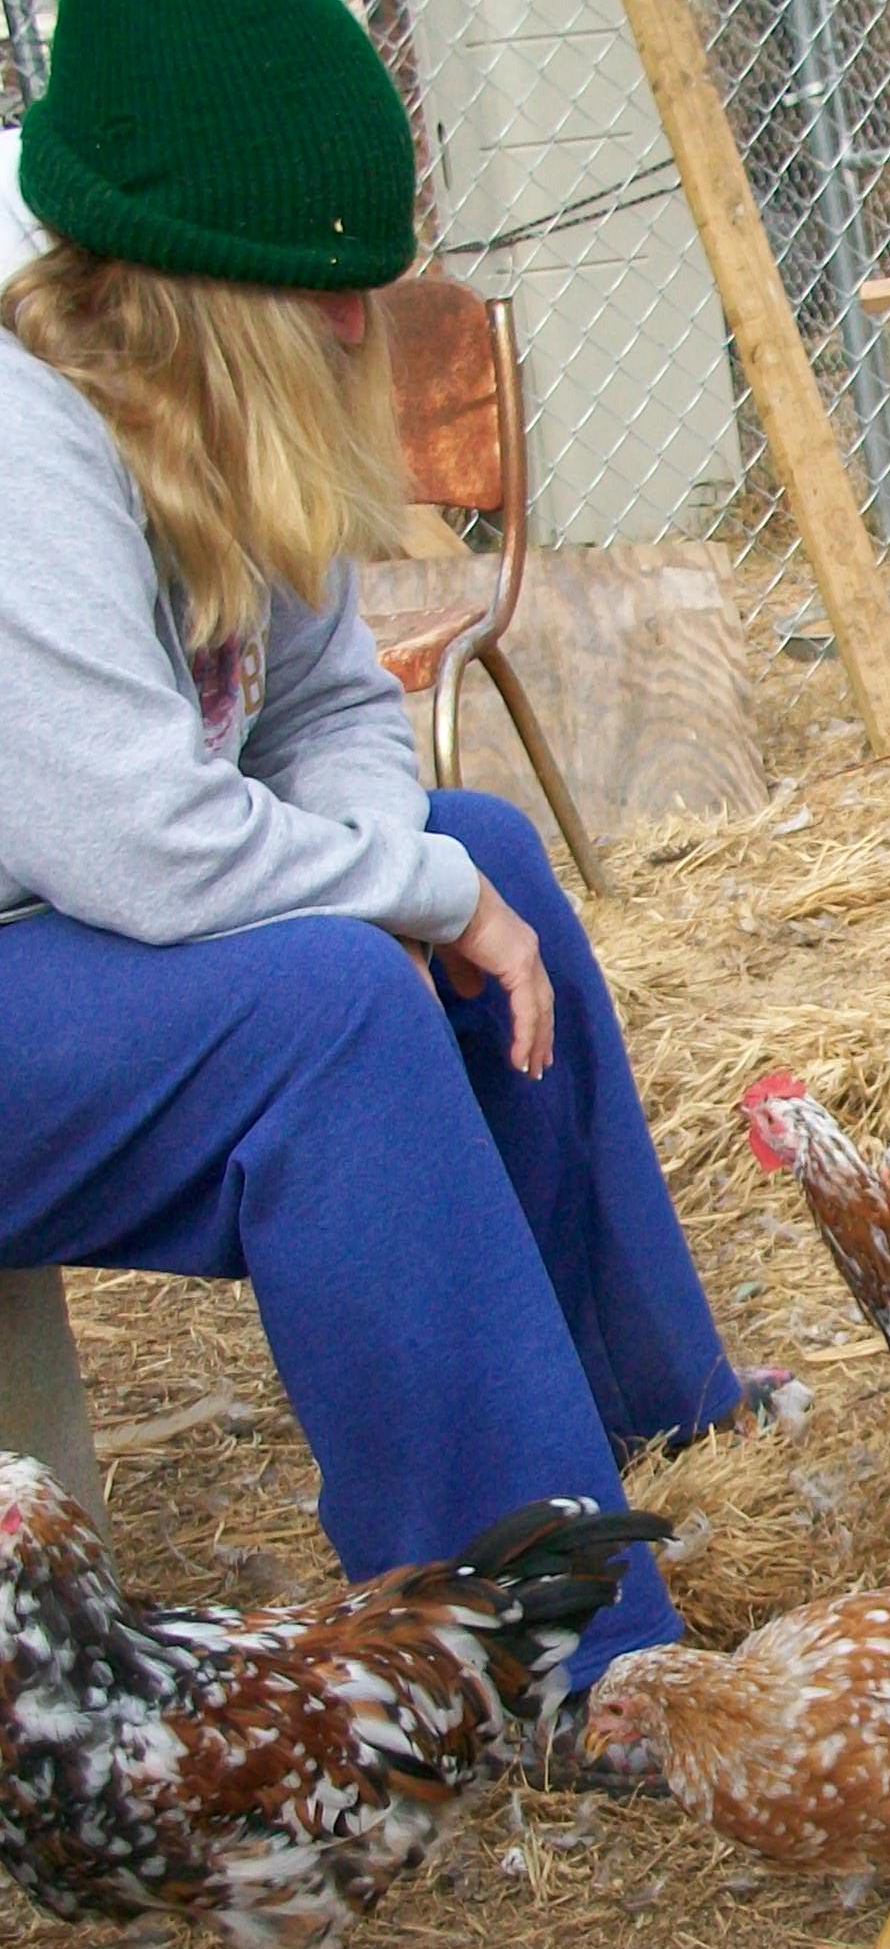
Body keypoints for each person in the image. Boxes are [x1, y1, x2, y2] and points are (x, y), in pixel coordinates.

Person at [0, 0, 764, 1734]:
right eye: (311, 284)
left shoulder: (213, 389)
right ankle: (527, 1652)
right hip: (56, 921)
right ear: (172, 271)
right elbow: (138, 841)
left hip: (69, 935)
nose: (359, 317)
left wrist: (409, 867)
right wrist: (401, 899)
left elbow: (339, 703)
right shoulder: (20, 428)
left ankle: (639, 1405)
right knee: (334, 998)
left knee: (472, 837)